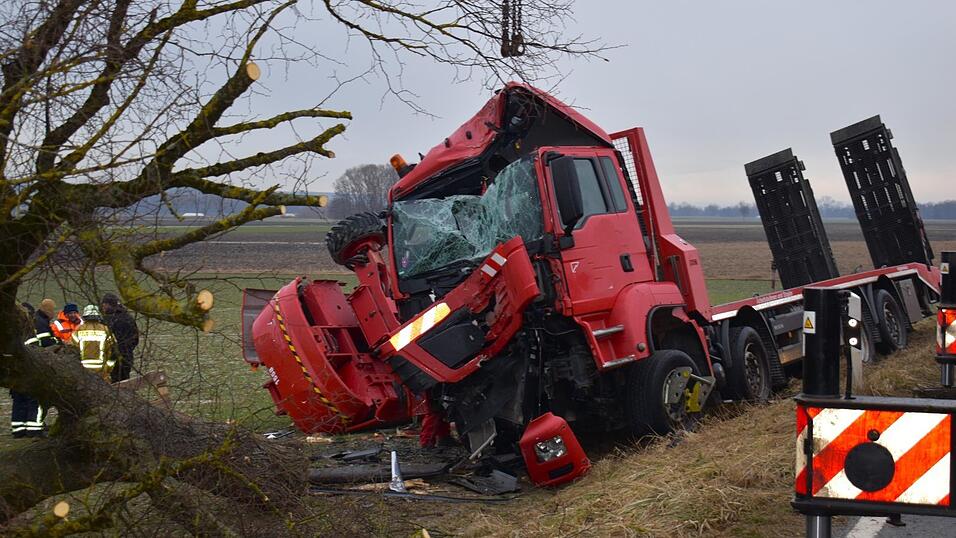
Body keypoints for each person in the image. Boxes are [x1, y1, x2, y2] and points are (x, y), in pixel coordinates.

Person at [10, 301, 55, 438]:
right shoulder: (32, 328)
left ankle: (18, 430)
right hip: (29, 370)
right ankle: (34, 429)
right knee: (34, 399)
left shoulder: (12, 328)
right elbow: (39, 347)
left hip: (15, 371)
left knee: (19, 400)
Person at [72, 305, 117, 381]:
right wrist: (108, 369)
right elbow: (114, 352)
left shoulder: (78, 330)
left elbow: (71, 351)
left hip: (82, 373)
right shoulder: (106, 330)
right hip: (102, 373)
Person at [101, 293, 138, 382]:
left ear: (108, 304)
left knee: (113, 383)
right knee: (125, 382)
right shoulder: (129, 318)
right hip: (127, 357)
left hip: (113, 358)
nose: (103, 308)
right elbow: (135, 339)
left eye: (104, 305)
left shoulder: (110, 320)